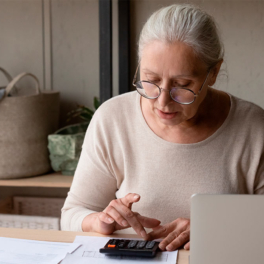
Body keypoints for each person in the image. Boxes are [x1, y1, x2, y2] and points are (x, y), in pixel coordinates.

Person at [61, 4, 264, 252]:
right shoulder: (112, 119)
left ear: (213, 74)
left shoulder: (253, 128)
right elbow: (71, 214)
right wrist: (97, 221)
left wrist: (216, 228)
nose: (162, 101)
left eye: (182, 84)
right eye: (151, 80)